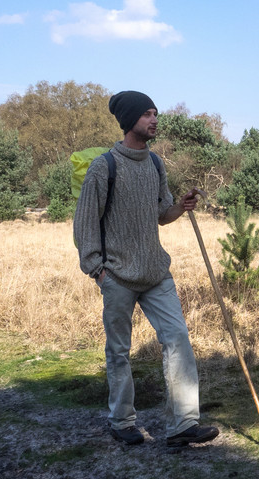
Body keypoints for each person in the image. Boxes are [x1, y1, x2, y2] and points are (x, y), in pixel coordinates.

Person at [73, 90, 219, 448]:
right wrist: (98, 270)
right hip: (118, 276)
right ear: (129, 121)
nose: (154, 120)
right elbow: (84, 224)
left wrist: (180, 208)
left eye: (155, 114)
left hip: (156, 273)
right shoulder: (103, 167)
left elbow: (161, 214)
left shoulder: (155, 165)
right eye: (147, 114)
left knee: (177, 338)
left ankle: (183, 424)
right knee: (119, 351)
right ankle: (122, 420)